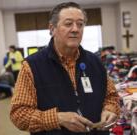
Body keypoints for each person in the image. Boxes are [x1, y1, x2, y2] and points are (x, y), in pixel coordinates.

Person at [10, 2, 120, 135]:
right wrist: (57, 118)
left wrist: (110, 109)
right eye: (68, 24)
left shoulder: (95, 61)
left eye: (80, 24)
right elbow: (19, 114)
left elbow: (111, 96)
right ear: (52, 28)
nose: (75, 29)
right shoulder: (32, 66)